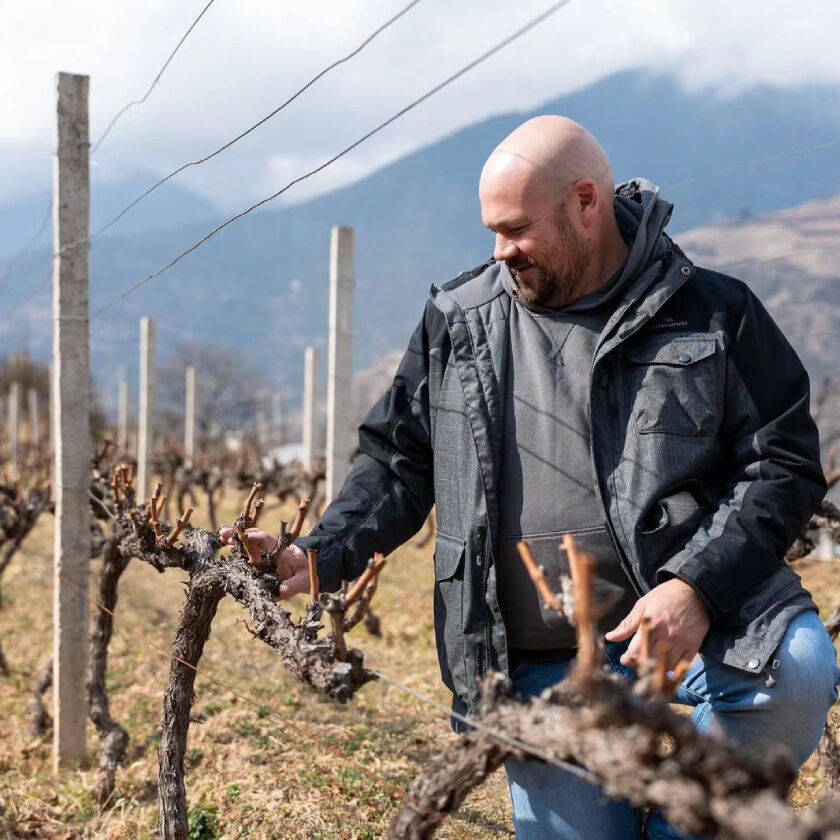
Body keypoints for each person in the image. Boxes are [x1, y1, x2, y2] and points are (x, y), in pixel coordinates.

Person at [230, 116, 840, 838]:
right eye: (492, 230)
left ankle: (690, 819)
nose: (500, 251)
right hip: (537, 659)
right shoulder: (459, 322)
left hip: (694, 624)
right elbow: (399, 457)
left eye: (516, 229)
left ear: (587, 203)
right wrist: (322, 552)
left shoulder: (712, 313)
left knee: (796, 670)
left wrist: (697, 588)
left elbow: (783, 462)